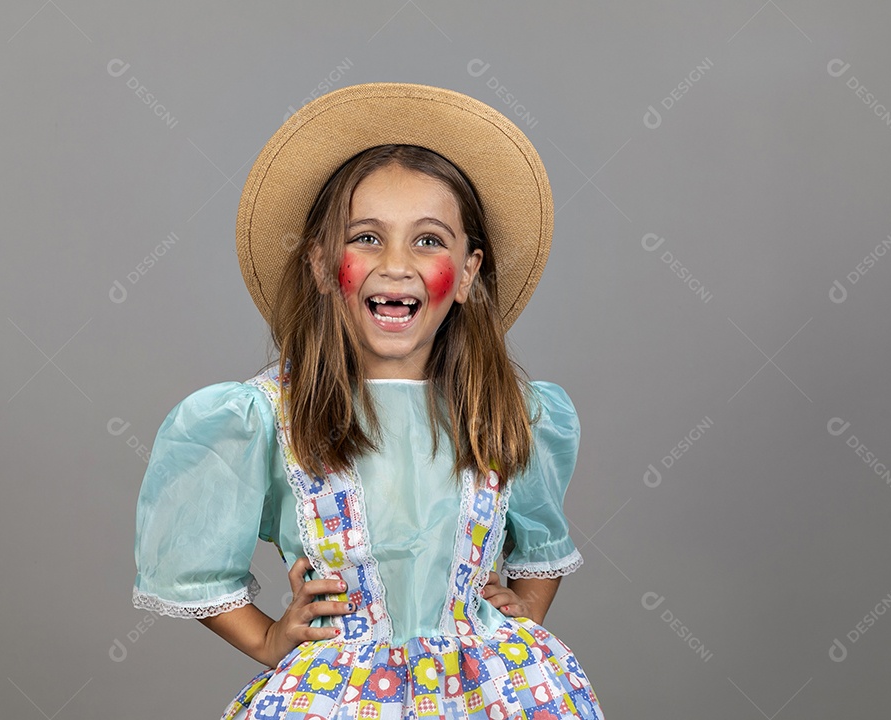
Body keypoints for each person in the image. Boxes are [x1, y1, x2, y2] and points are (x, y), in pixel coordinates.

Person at [132, 82, 605, 720]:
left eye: (429, 240)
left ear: (467, 273)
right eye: (367, 238)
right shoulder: (268, 415)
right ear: (322, 265)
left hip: (489, 693)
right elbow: (196, 564)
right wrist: (268, 639)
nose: (397, 265)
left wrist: (521, 616)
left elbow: (542, 544)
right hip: (342, 695)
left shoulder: (505, 409)